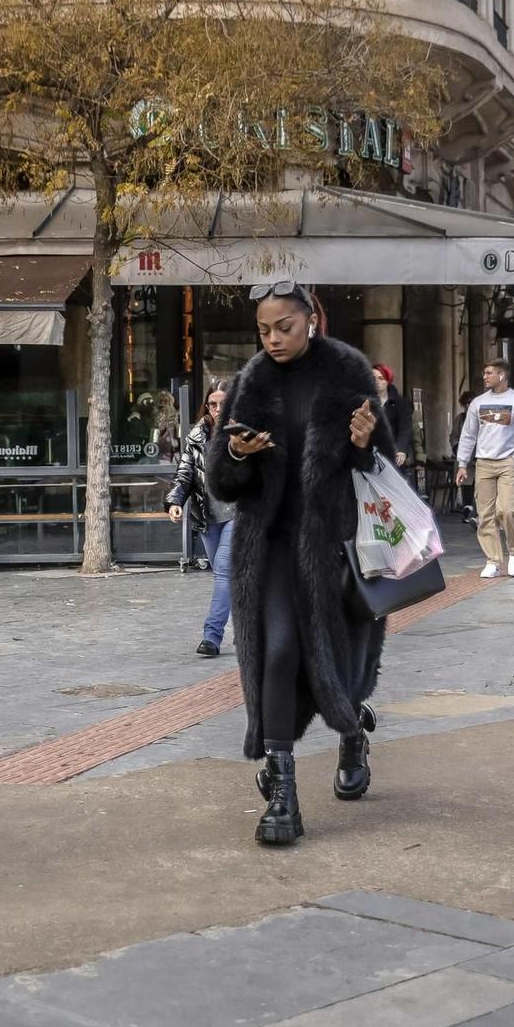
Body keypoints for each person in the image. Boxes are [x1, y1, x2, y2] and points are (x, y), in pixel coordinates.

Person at [207, 281, 393, 847]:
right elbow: (220, 478)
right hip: (272, 549)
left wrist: (365, 441)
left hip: (338, 544)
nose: (272, 339)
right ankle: (284, 792)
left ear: (310, 319)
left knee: (343, 662)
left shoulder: (348, 372)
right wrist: (236, 454)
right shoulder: (248, 384)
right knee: (280, 650)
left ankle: (353, 732)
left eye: (283, 327)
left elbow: (383, 454)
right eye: (263, 330)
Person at [167, 383, 236, 657]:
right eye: (212, 404)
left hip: (240, 514)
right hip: (208, 517)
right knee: (230, 577)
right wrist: (174, 501)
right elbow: (185, 472)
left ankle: (211, 637)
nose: (218, 409)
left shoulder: (246, 433)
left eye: (224, 403)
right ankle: (249, 631)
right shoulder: (196, 436)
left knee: (223, 570)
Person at [456, 359, 514, 580]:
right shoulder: (477, 403)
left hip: (507, 463)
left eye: (489, 373)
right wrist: (462, 464)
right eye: (484, 373)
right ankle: (493, 560)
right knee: (485, 516)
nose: (484, 377)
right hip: (483, 463)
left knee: (508, 511)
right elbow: (468, 434)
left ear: (502, 375)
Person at [374, 364, 410, 469]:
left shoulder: (400, 403)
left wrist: (401, 450)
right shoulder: (364, 401)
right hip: (369, 455)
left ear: (387, 380)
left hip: (391, 454)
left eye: (381, 378)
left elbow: (405, 428)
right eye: (373, 378)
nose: (376, 381)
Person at [450, 387, 478, 527]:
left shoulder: (481, 418)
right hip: (463, 457)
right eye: (466, 403)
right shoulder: (459, 419)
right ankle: (467, 510)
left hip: (478, 457)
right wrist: (456, 448)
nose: (468, 405)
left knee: (479, 484)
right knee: (466, 484)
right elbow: (453, 436)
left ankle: (479, 512)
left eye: (471, 402)